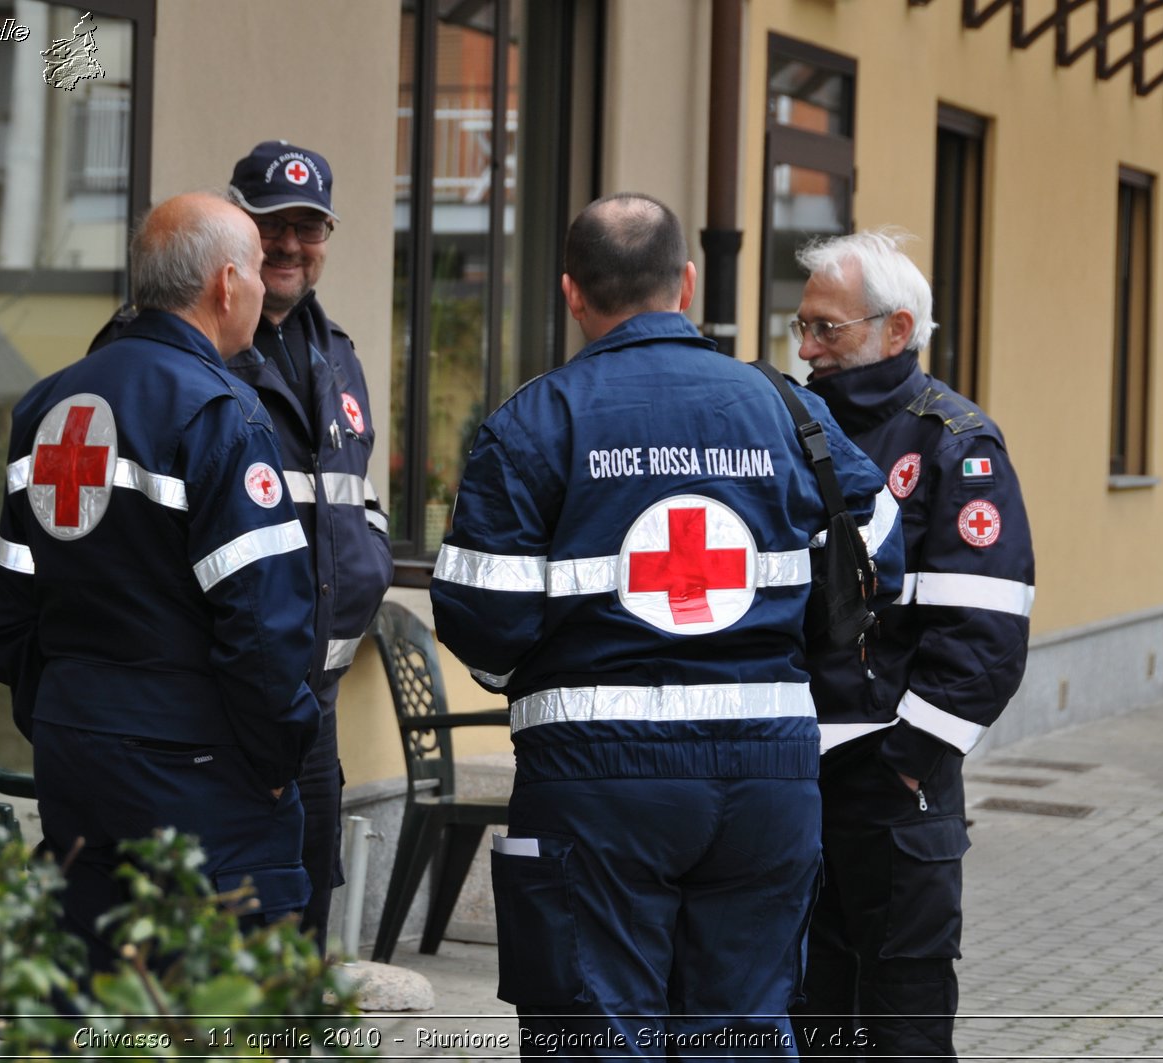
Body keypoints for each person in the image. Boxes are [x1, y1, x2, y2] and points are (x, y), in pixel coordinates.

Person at [430, 193, 903, 1058]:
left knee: (596, 1036)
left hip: (593, 781)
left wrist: (534, 676)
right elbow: (878, 552)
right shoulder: (785, 410)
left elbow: (479, 612)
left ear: (572, 293)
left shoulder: (535, 422)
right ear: (686, 282)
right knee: (742, 1035)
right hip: (767, 774)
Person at [0, 191, 320, 972]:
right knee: (216, 1006)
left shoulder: (47, 402)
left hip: (75, 754)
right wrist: (275, 759)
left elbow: (5, 607)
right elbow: (263, 629)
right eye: (259, 270)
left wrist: (66, 706)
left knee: (90, 988)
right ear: (227, 285)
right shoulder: (220, 413)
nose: (266, 289)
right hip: (199, 770)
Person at [88, 142, 393, 941]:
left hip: (307, 705)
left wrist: (370, 559)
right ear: (236, 252)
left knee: (299, 919)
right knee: (216, 938)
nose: (290, 244)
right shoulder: (172, 362)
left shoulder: (339, 356)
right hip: (217, 706)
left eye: (308, 226)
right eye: (271, 226)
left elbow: (351, 497)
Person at [789, 229, 1036, 1061]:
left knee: (903, 1023)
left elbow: (988, 634)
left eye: (829, 328)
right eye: (803, 327)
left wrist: (904, 758)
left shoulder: (954, 444)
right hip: (788, 777)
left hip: (893, 792)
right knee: (808, 1013)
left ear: (897, 330)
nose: (808, 347)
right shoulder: (790, 429)